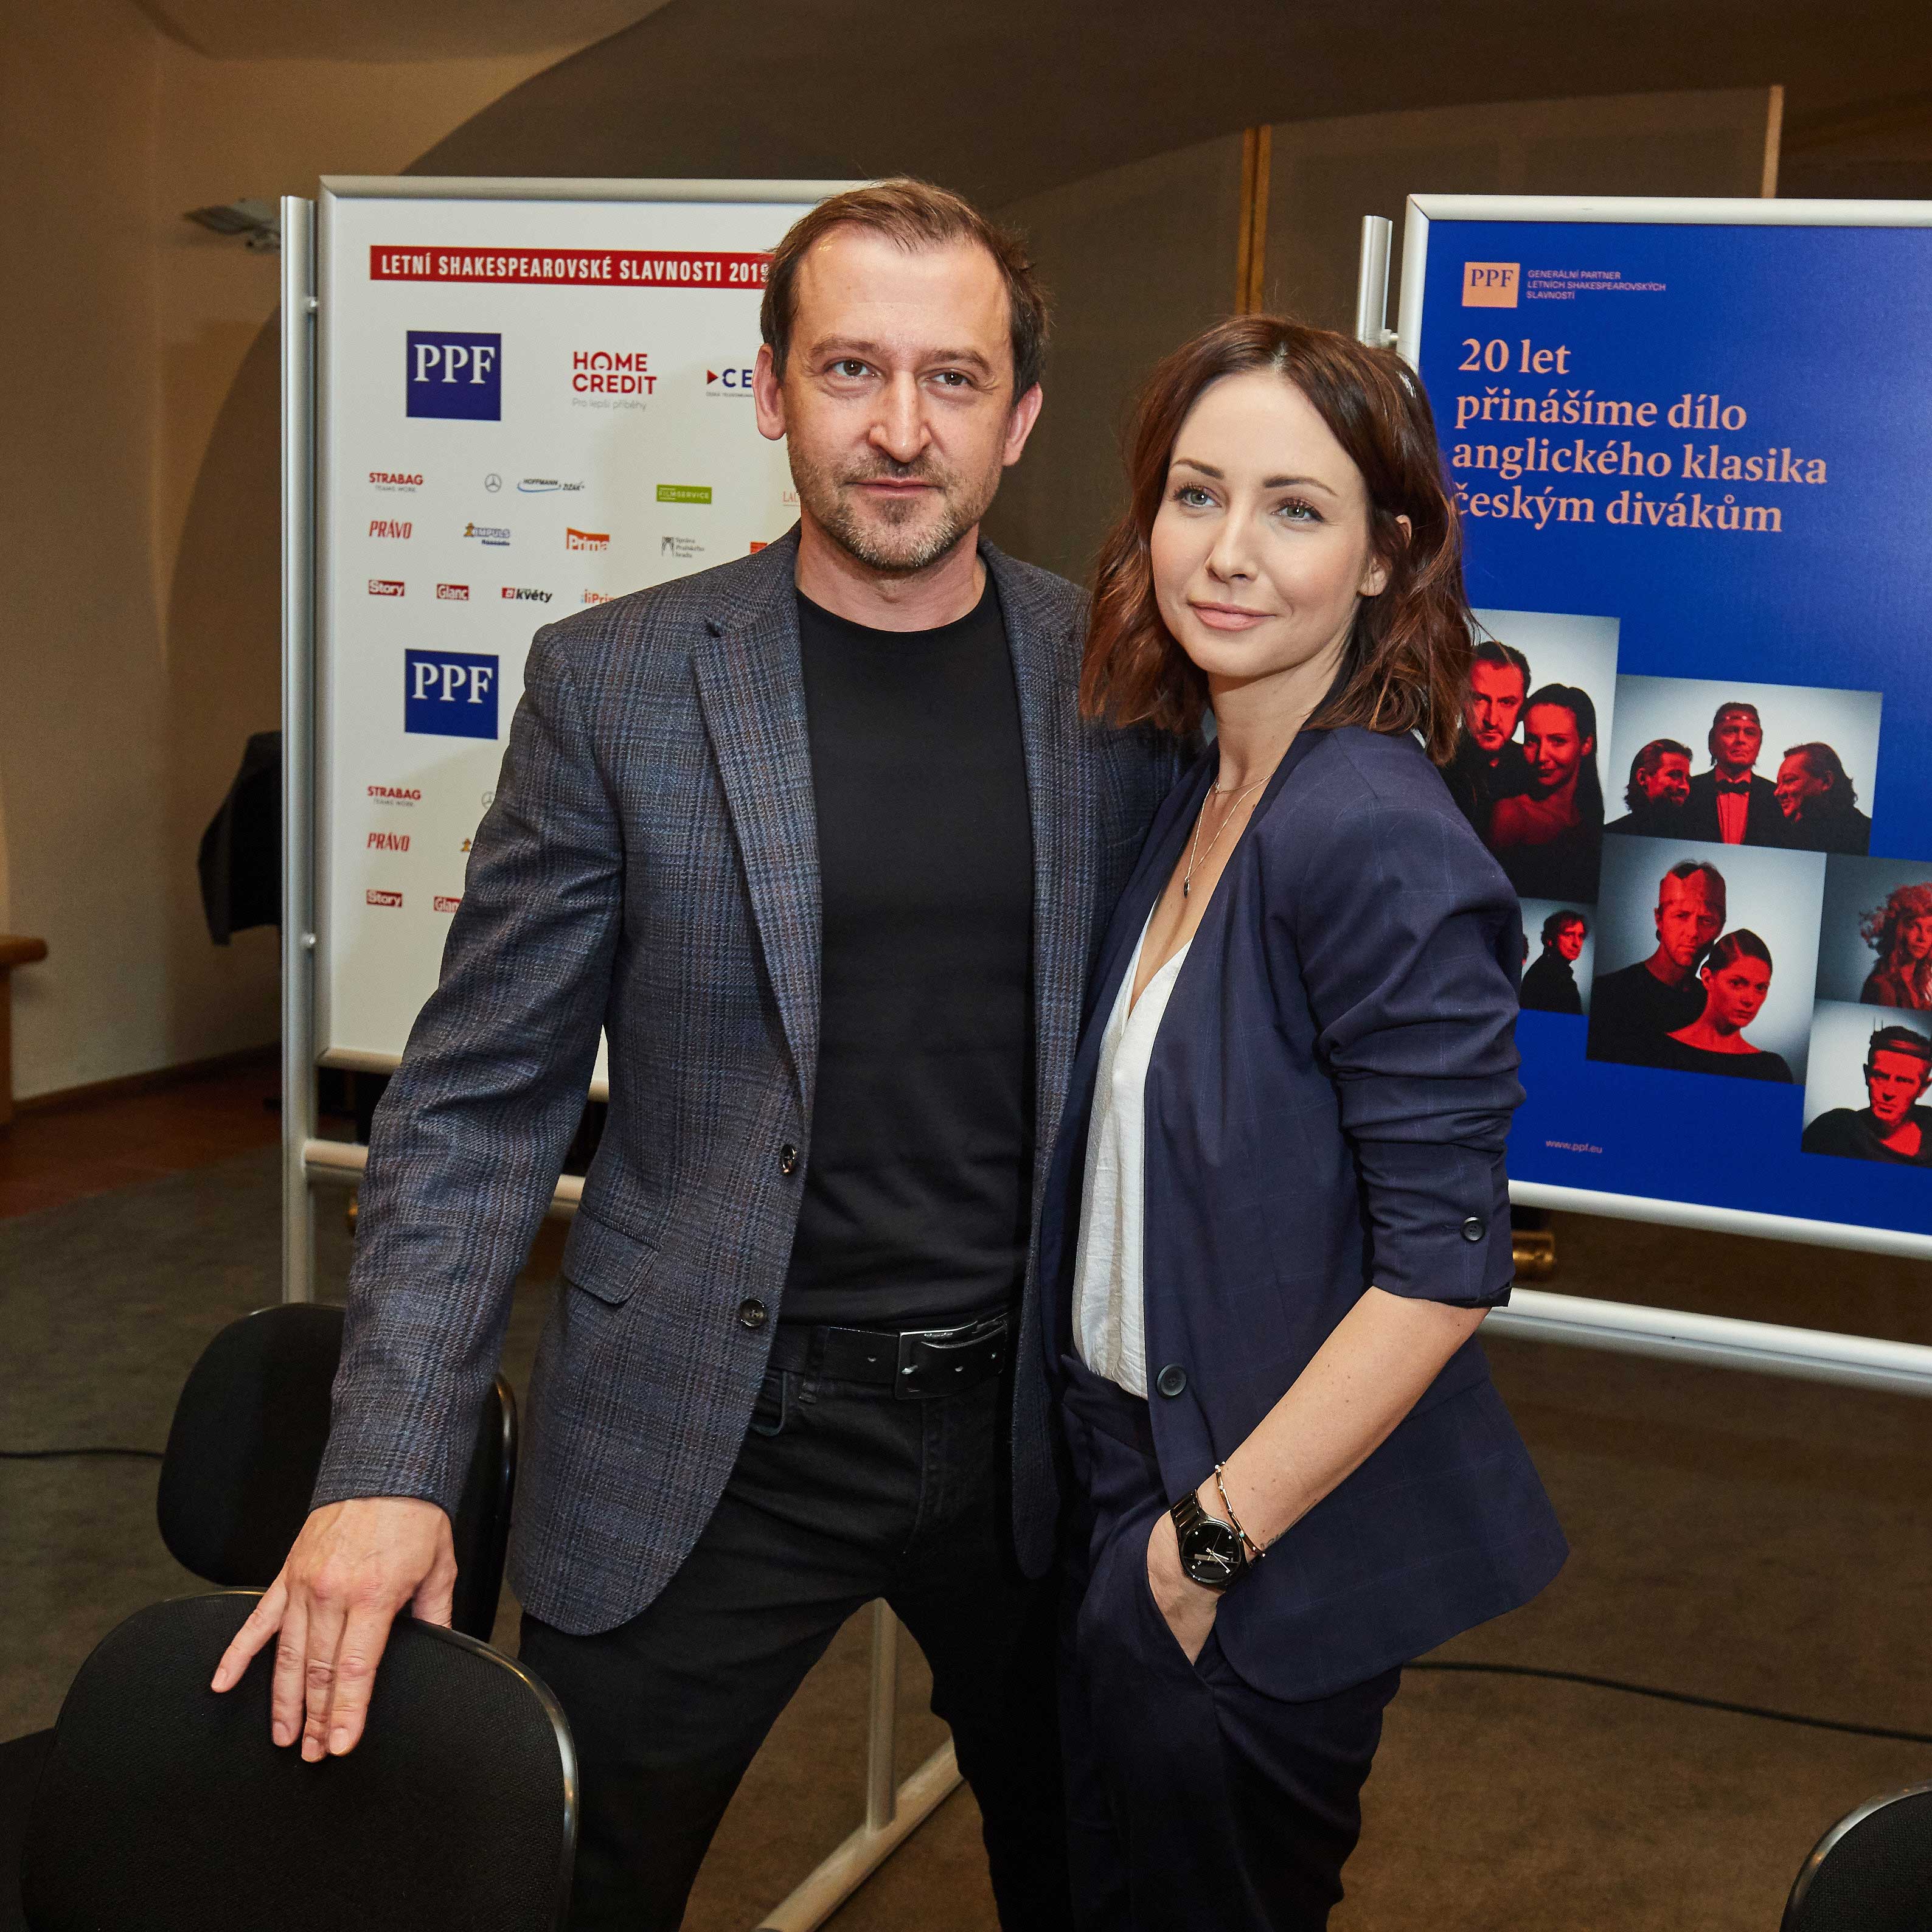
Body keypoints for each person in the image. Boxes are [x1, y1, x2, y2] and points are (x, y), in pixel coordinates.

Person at [210, 179, 1186, 1931]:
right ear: (765, 391)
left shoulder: (1122, 686)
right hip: (706, 1427)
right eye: (850, 370)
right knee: (563, 1880)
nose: (901, 431)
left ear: (1021, 415)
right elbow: (478, 1106)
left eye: (954, 380)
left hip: (1035, 1438)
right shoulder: (618, 687)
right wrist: (384, 1465)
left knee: (1103, 1874)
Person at [1044, 314, 1565, 1930]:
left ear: (1386, 555)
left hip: (1261, 1536)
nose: (1230, 552)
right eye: (1198, 495)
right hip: (1131, 1471)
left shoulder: (1369, 829)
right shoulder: (1200, 784)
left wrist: (1205, 1550)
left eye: (1295, 507)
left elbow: (1443, 1267)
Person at [1586, 860, 1726, 1069]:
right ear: (1659, 919)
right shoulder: (1607, 995)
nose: (1693, 932)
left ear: (1720, 927)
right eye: (1681, 915)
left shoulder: (1714, 1006)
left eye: (1706, 920)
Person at [1488, 683, 1604, 902]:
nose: (1542, 756)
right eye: (1532, 741)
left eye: (1557, 741)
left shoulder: (1592, 817)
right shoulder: (1512, 816)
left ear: (1586, 744)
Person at [1652, 930, 1793, 1082]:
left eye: (1760, 988)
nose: (1750, 1000)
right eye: (1736, 983)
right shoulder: (1659, 1052)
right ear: (1707, 979)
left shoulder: (1772, 1071)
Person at [1802, 1024, 1932, 1165]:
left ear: (1923, 1088)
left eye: (1903, 1081)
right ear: (1867, 1075)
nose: (1889, 1092)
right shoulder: (1833, 1132)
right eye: (1880, 1076)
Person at [1442, 638, 1532, 838]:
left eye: (1507, 702)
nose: (1492, 719)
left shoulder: (1537, 773)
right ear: (1460, 699)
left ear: (1523, 707)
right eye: (1479, 699)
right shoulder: (1432, 767)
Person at [1682, 700, 1783, 846]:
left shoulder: (1778, 798)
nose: (1741, 740)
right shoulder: (1686, 792)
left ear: (1759, 744)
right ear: (1712, 742)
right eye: (1730, 731)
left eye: (1750, 733)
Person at [1774, 742, 1871, 855]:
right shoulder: (1788, 836)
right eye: (1778, 784)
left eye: (1790, 780)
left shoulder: (1867, 835)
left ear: (1827, 781)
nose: (1777, 792)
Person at [1859, 881, 1932, 1009]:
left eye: (1930, 930)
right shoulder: (1881, 986)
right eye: (1913, 927)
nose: (1923, 938)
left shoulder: (1922, 983)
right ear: (1896, 930)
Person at [1604, 737, 1692, 837]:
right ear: (1643, 778)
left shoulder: (1695, 833)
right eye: (1674, 775)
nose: (1685, 787)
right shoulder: (1612, 833)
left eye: (1688, 780)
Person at [1521, 908, 1588, 1015]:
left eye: (1580, 936)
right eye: (1569, 935)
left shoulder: (1546, 969)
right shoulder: (1551, 978)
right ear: (1550, 940)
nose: (1577, 943)